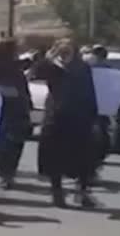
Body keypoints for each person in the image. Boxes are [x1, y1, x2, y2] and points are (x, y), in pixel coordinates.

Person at [33, 39, 100, 208]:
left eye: (67, 49)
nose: (64, 53)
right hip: (56, 116)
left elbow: (89, 90)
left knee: (83, 156)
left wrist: (93, 115)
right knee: (54, 156)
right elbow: (36, 72)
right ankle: (57, 192)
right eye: (61, 50)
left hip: (79, 117)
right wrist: (50, 56)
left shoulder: (81, 67)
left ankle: (83, 192)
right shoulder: (51, 66)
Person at [0, 39, 32, 189]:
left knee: (13, 146)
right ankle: (3, 174)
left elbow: (21, 93)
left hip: (14, 114)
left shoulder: (16, 71)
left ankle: (8, 175)